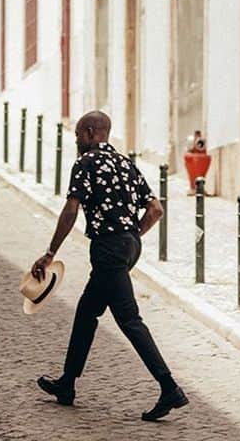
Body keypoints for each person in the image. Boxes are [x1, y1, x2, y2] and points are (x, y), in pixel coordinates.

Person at [31, 110, 188, 421]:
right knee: (87, 312)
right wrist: (131, 235)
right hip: (130, 247)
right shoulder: (125, 164)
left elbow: (71, 210)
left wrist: (49, 253)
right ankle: (67, 383)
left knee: (129, 320)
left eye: (78, 136)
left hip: (108, 249)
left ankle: (169, 387)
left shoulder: (85, 163)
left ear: (90, 132)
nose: (77, 142)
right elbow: (155, 209)